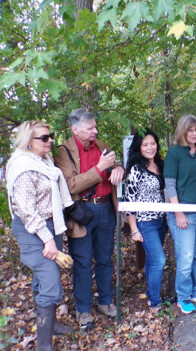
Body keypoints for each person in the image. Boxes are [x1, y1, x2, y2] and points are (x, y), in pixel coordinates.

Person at [6, 121, 75, 350]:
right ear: (28, 142)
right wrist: (47, 239)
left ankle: (51, 326)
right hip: (31, 229)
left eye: (50, 136)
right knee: (50, 281)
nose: (50, 141)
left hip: (49, 224)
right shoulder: (23, 167)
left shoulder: (43, 161)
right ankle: (44, 345)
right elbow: (26, 212)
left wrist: (52, 232)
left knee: (42, 280)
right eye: (44, 138)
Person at [55, 109, 124, 329]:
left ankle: (105, 301)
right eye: (90, 128)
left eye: (95, 126)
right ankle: (83, 309)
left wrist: (119, 169)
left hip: (105, 209)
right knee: (83, 262)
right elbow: (70, 185)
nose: (95, 131)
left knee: (105, 258)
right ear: (75, 129)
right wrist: (99, 169)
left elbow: (115, 167)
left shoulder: (102, 145)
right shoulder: (64, 152)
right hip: (81, 214)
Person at [164, 115, 196, 314]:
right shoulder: (174, 153)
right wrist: (178, 213)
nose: (194, 134)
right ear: (183, 131)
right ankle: (183, 296)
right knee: (185, 257)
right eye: (190, 130)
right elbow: (170, 185)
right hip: (183, 214)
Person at [125, 128, 167, 311]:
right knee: (159, 261)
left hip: (160, 221)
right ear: (138, 147)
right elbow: (130, 202)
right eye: (145, 144)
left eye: (153, 143)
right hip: (145, 222)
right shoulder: (136, 170)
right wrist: (134, 229)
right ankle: (156, 303)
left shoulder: (159, 165)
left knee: (151, 260)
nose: (150, 147)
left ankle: (151, 296)